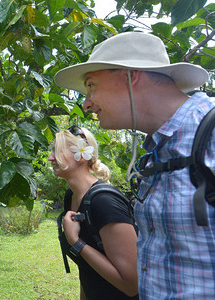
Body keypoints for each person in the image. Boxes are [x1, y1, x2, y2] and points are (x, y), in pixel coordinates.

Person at [54, 32, 214, 299]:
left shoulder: (209, 137)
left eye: (91, 85)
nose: (86, 103)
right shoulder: (154, 153)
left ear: (130, 75)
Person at [50, 127, 138, 299]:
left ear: (82, 155)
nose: (50, 157)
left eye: (57, 151)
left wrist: (76, 242)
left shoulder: (104, 202)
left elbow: (132, 285)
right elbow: (88, 270)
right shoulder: (72, 196)